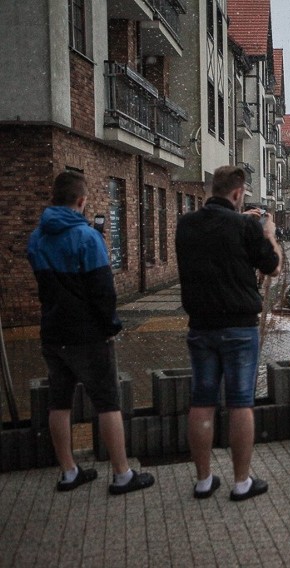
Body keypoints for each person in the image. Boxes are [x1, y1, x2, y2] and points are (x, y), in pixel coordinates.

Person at [27, 171, 155, 495]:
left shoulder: (37, 238)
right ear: (82, 201)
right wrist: (111, 326)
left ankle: (69, 472)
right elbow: (103, 292)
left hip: (52, 334)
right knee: (108, 404)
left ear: (53, 198)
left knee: (59, 403)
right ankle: (122, 474)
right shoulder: (88, 238)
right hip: (88, 336)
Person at [175, 165, 282, 501]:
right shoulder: (246, 226)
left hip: (201, 326)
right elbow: (273, 266)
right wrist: (268, 234)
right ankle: (241, 483)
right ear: (238, 193)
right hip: (238, 327)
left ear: (212, 190)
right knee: (240, 403)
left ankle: (204, 481)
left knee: (202, 401)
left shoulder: (185, 225)